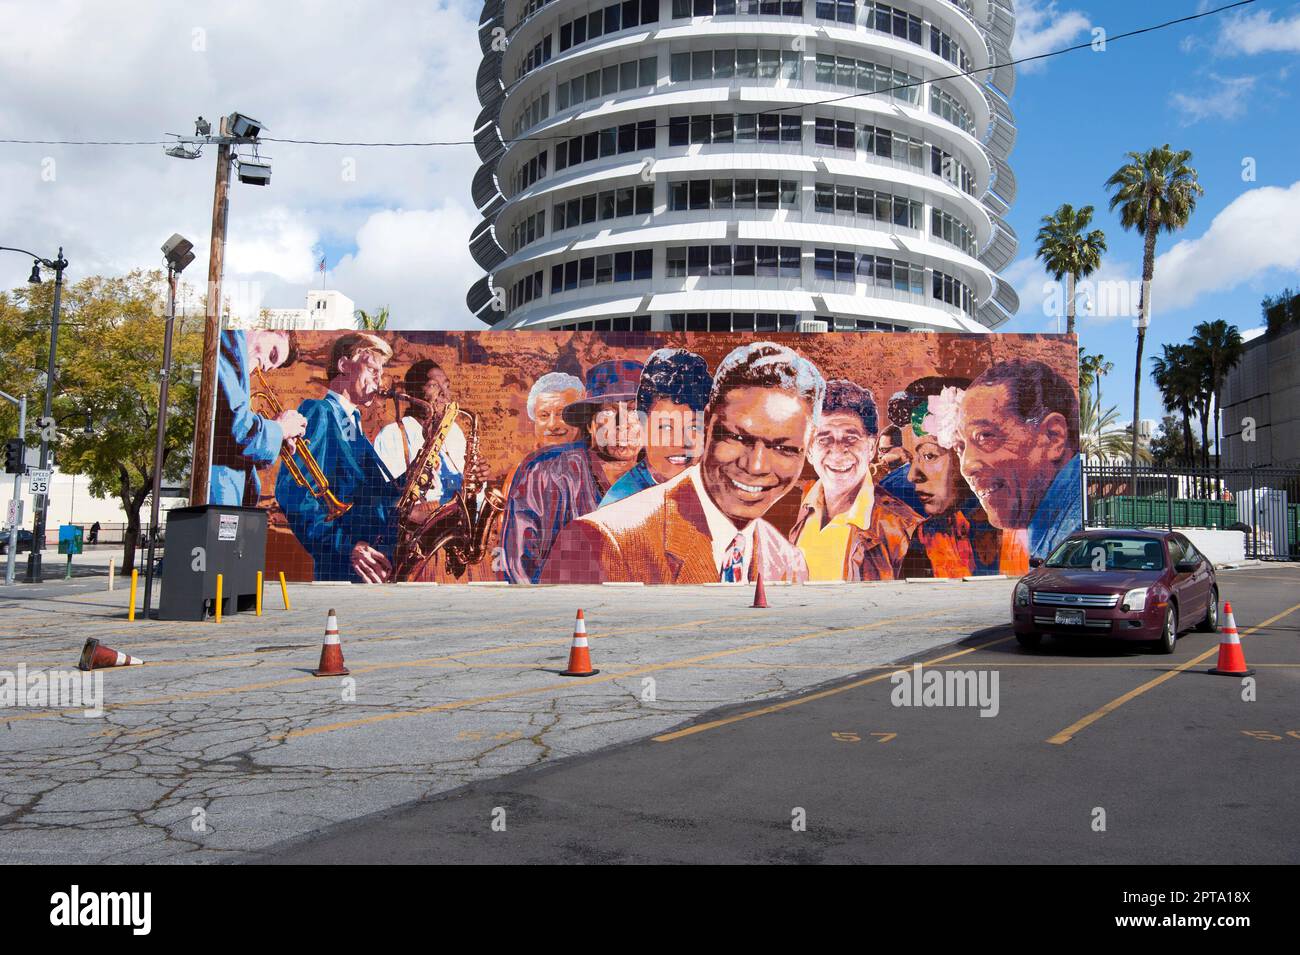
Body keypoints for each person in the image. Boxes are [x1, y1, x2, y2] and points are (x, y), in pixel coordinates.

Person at [539, 342, 819, 585]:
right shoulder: (598, 540)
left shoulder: (789, 563)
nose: (756, 466)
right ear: (710, 423)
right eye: (738, 437)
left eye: (784, 448)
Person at [500, 360, 645, 583]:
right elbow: (520, 569)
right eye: (608, 412)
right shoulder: (544, 471)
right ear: (589, 423)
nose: (622, 424)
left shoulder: (662, 477)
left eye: (634, 411)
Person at [275, 332, 402, 583]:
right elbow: (293, 493)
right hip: (343, 568)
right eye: (372, 369)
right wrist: (345, 547)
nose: (380, 379)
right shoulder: (319, 411)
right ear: (344, 366)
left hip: (371, 565)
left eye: (382, 371)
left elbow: (372, 494)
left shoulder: (353, 424)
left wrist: (416, 473)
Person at [787, 380, 922, 581]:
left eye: (851, 438)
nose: (838, 451)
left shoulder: (904, 530)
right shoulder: (803, 507)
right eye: (824, 439)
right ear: (809, 450)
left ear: (871, 447)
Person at [954, 359, 1082, 562]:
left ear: (1053, 437)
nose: (966, 466)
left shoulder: (1074, 540)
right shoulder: (1050, 535)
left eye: (986, 436)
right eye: (960, 448)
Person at [885, 377, 1010, 578]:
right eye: (910, 459)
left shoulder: (1022, 524)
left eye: (929, 455)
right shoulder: (927, 537)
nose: (912, 475)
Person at [600, 348, 712, 507]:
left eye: (693, 427)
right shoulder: (621, 506)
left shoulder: (717, 490)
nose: (680, 442)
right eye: (666, 427)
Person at [210, 329, 306, 506]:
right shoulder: (224, 353)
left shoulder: (233, 363)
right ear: (261, 328)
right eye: (273, 353)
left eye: (271, 367)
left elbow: (232, 443)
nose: (265, 367)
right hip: (218, 492)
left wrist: (277, 437)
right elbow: (238, 430)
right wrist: (280, 429)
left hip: (229, 495)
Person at [373, 359, 488, 507]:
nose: (444, 393)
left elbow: (468, 492)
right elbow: (384, 500)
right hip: (417, 526)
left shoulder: (454, 432)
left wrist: (476, 481)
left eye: (447, 385)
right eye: (433, 385)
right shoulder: (391, 435)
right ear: (413, 392)